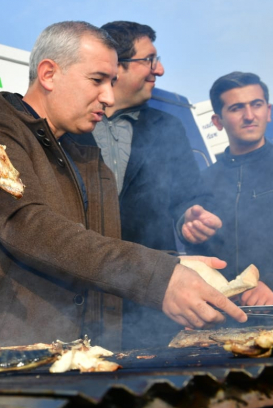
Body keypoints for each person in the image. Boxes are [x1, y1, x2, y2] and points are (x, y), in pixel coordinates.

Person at [0, 21, 246, 352]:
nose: (108, 97)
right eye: (97, 80)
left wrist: (174, 265)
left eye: (111, 83)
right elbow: (28, 227)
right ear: (48, 74)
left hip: (66, 358)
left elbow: (95, 243)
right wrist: (157, 276)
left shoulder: (84, 153)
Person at [68, 21, 223, 349]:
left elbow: (189, 196)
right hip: (74, 299)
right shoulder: (68, 125)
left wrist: (189, 217)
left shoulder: (168, 126)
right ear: (116, 67)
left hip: (149, 304)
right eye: (149, 60)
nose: (160, 69)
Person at [188, 72, 273, 305]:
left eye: (256, 105)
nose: (249, 116)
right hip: (225, 320)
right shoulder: (203, 182)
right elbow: (202, 259)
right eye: (236, 108)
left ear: (269, 111)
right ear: (218, 121)